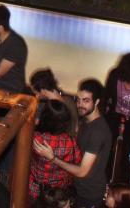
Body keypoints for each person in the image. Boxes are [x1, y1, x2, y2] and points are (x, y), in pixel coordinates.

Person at [33, 79, 111, 208]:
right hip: (78, 188)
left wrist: (52, 158)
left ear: (97, 102)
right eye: (78, 99)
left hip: (89, 193)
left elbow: (82, 171)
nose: (80, 104)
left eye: (86, 100)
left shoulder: (98, 132)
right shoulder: (86, 120)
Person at [29, 99, 80, 201]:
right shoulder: (70, 142)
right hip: (58, 193)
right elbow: (77, 162)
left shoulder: (36, 137)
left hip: (36, 189)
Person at [30, 68, 79, 134]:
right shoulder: (69, 101)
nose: (37, 96)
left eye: (36, 93)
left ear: (43, 90)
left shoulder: (51, 108)